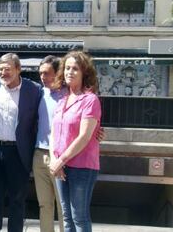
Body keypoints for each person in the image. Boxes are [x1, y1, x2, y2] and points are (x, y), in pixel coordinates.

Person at [0, 53, 42, 232]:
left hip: (18, 152)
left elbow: (48, 112)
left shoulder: (34, 89)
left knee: (17, 200)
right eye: (0, 70)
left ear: (18, 70)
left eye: (7, 69)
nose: (3, 73)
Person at [49, 51, 102, 232]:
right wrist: (55, 161)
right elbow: (53, 134)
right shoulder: (62, 100)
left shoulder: (90, 100)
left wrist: (61, 160)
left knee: (79, 217)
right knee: (66, 217)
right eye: (67, 68)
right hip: (61, 165)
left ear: (84, 73)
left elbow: (84, 137)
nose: (70, 72)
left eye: (75, 69)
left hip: (82, 166)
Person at [33, 56, 65, 232]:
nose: (43, 77)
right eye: (40, 74)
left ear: (57, 73)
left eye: (47, 73)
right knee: (44, 205)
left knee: (63, 207)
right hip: (39, 155)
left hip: (61, 157)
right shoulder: (39, 92)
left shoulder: (70, 94)